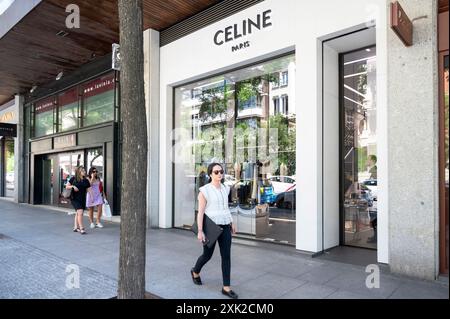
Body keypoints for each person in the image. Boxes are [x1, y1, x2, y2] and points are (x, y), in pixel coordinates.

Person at [190, 163, 238, 299]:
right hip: (210, 228)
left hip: (225, 226)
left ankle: (226, 287)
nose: (219, 174)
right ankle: (195, 271)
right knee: (207, 256)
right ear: (210, 174)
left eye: (221, 171)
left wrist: (231, 222)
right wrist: (200, 231)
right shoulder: (204, 191)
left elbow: (225, 208)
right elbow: (200, 213)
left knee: (226, 256)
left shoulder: (225, 189)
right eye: (216, 172)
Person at [66, 166, 90, 235]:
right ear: (79, 172)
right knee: (80, 212)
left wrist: (92, 198)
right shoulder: (73, 178)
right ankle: (81, 228)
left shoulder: (86, 180)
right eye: (83, 171)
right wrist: (73, 186)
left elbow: (89, 189)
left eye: (84, 171)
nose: (84, 172)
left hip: (82, 198)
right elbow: (67, 186)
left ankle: (75, 227)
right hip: (74, 198)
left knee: (78, 213)